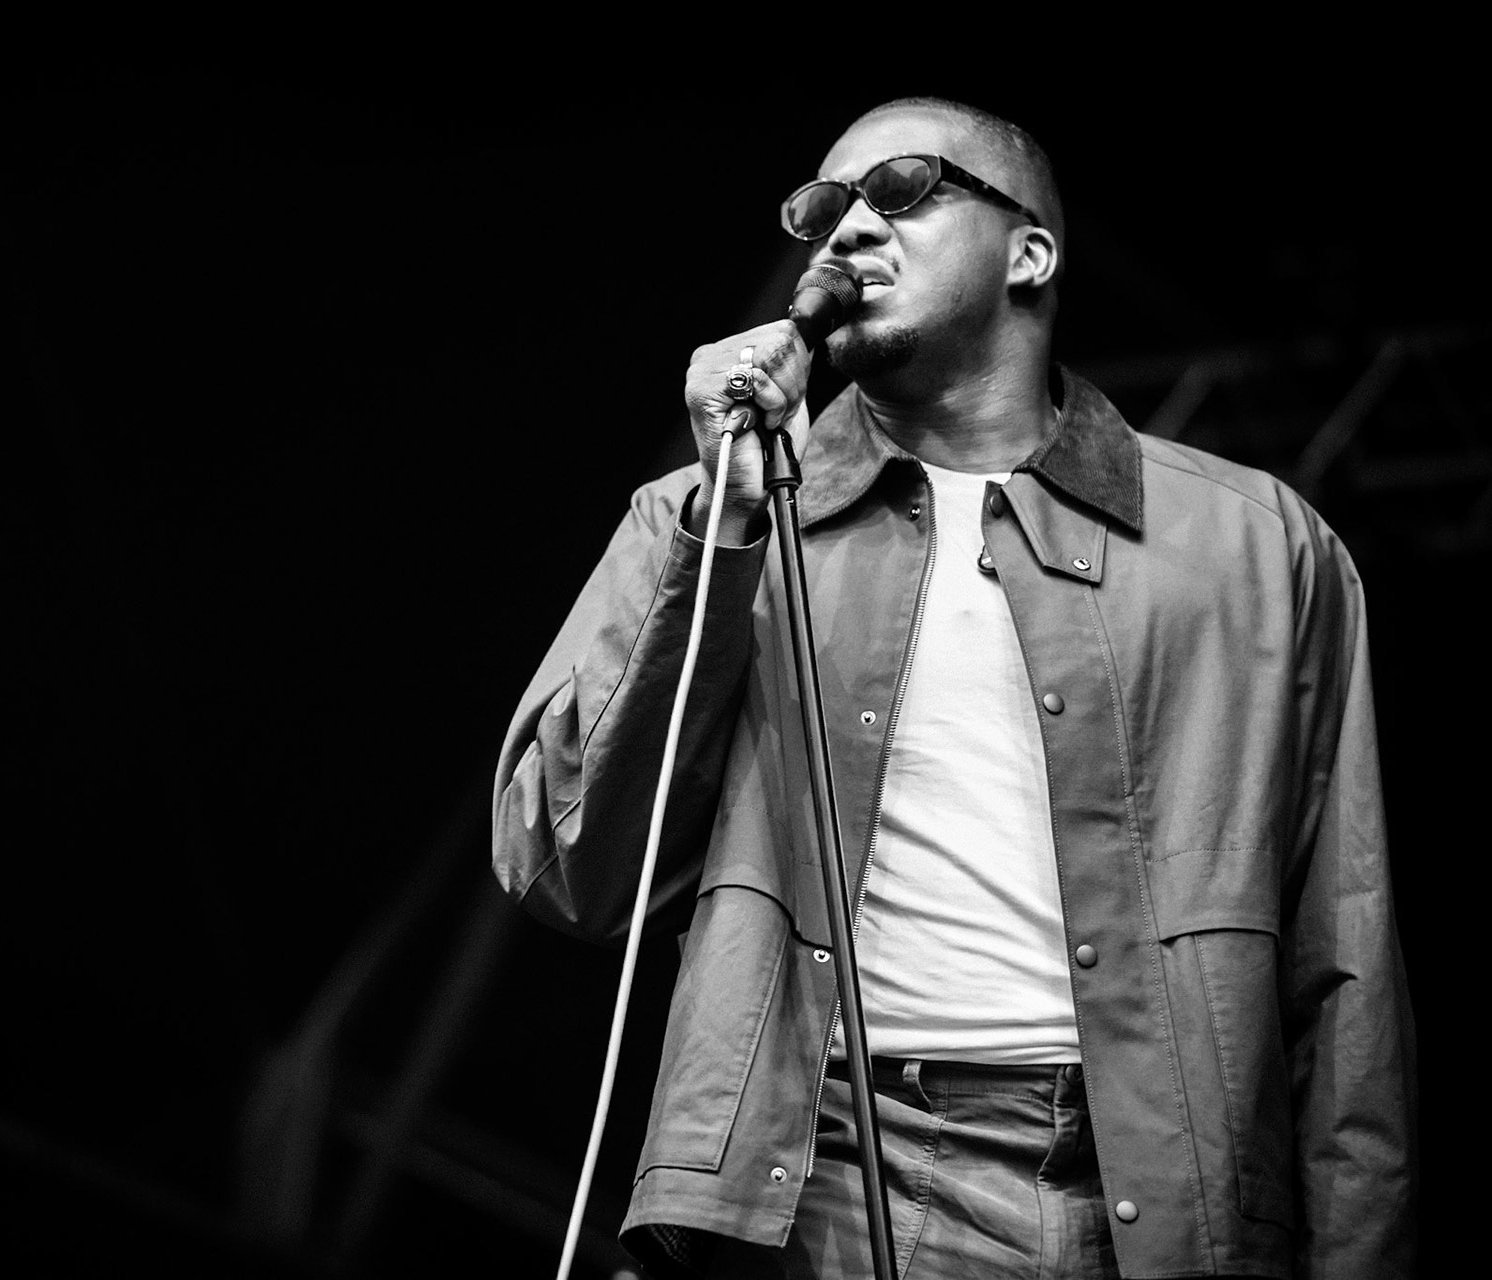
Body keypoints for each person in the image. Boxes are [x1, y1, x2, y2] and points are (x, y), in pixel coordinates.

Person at [490, 97, 1416, 1278]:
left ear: (1032, 249)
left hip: (1178, 1194)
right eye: (824, 209)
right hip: (836, 1174)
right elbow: (563, 860)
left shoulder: (1251, 545)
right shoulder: (711, 516)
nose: (848, 231)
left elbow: (1345, 960)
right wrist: (715, 528)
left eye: (906, 191)